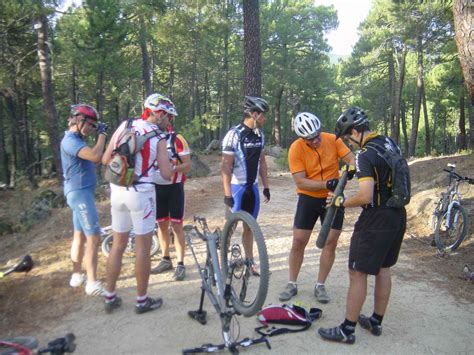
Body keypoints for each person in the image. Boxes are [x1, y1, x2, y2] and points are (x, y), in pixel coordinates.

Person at [318, 107, 407, 344]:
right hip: (397, 215)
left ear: (356, 131)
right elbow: (384, 172)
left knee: (357, 272)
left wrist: (340, 201)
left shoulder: (364, 154)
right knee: (383, 268)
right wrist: (357, 169)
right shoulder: (388, 143)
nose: (348, 143)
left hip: (375, 218)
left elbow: (366, 196)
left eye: (348, 138)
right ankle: (376, 320)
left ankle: (347, 329)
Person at [102, 93, 173, 314]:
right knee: (143, 247)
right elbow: (167, 174)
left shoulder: (126, 124)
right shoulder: (158, 138)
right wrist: (170, 162)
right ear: (159, 114)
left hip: (117, 191)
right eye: (169, 116)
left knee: (118, 244)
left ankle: (110, 296)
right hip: (142, 194)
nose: (170, 121)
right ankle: (142, 300)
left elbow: (105, 160)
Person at [279, 112, 355, 303]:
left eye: (317, 136)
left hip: (334, 197)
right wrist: (324, 185)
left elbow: (352, 160)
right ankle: (292, 283)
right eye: (310, 139)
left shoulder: (332, 139)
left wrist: (352, 169)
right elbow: (300, 181)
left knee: (331, 241)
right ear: (302, 138)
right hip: (309, 197)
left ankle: (320, 285)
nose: (316, 141)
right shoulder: (296, 149)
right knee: (298, 240)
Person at [60, 104, 108, 296]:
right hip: (80, 194)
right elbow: (96, 157)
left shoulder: (75, 139)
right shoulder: (71, 141)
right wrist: (103, 134)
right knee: (94, 237)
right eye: (89, 124)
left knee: (79, 236)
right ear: (78, 120)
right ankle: (92, 282)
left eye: (93, 126)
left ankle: (77, 275)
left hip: (80, 192)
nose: (90, 129)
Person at [221, 95, 271, 275]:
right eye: (263, 115)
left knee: (250, 227)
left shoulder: (260, 135)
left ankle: (250, 262)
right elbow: (226, 166)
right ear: (254, 114)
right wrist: (227, 194)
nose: (265, 118)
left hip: (253, 188)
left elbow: (262, 162)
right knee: (230, 226)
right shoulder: (233, 135)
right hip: (237, 188)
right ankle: (223, 263)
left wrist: (266, 186)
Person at [150, 97, 192, 281]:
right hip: (157, 187)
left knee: (177, 225)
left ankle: (181, 263)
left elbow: (188, 165)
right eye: (160, 115)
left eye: (165, 117)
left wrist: (172, 169)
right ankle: (165, 258)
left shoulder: (177, 139)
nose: (161, 119)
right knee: (161, 224)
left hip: (174, 186)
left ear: (169, 118)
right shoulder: (150, 137)